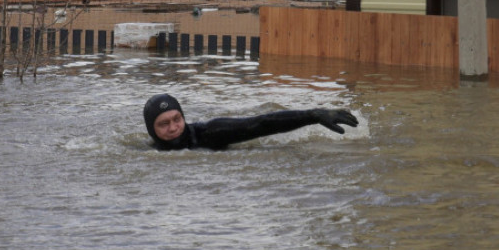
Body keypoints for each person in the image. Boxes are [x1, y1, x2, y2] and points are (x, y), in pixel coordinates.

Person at [143, 93, 359, 151]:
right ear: (151, 130)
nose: (173, 128)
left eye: (177, 119)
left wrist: (313, 115)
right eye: (164, 124)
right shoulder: (146, 154)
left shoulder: (208, 134)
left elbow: (260, 124)